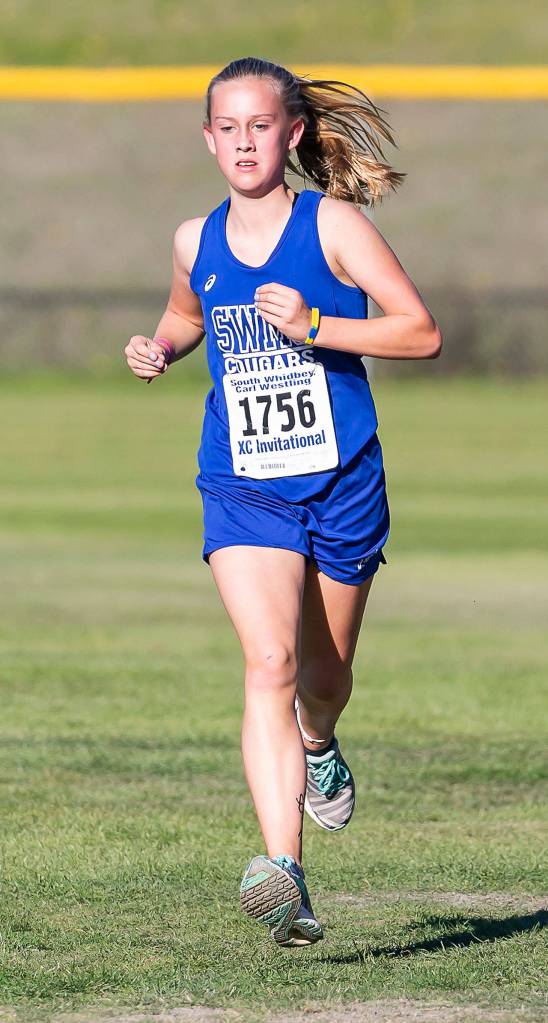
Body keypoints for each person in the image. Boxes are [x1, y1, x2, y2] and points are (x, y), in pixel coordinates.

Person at [124, 56, 442, 949]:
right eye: (227, 128)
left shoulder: (333, 225)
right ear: (208, 138)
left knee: (323, 681)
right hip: (241, 483)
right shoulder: (195, 238)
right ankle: (284, 872)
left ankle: (320, 740)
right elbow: (190, 312)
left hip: (341, 483)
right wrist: (162, 345)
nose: (243, 142)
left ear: (292, 132)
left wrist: (314, 327)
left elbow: (421, 330)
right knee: (267, 660)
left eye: (260, 125)